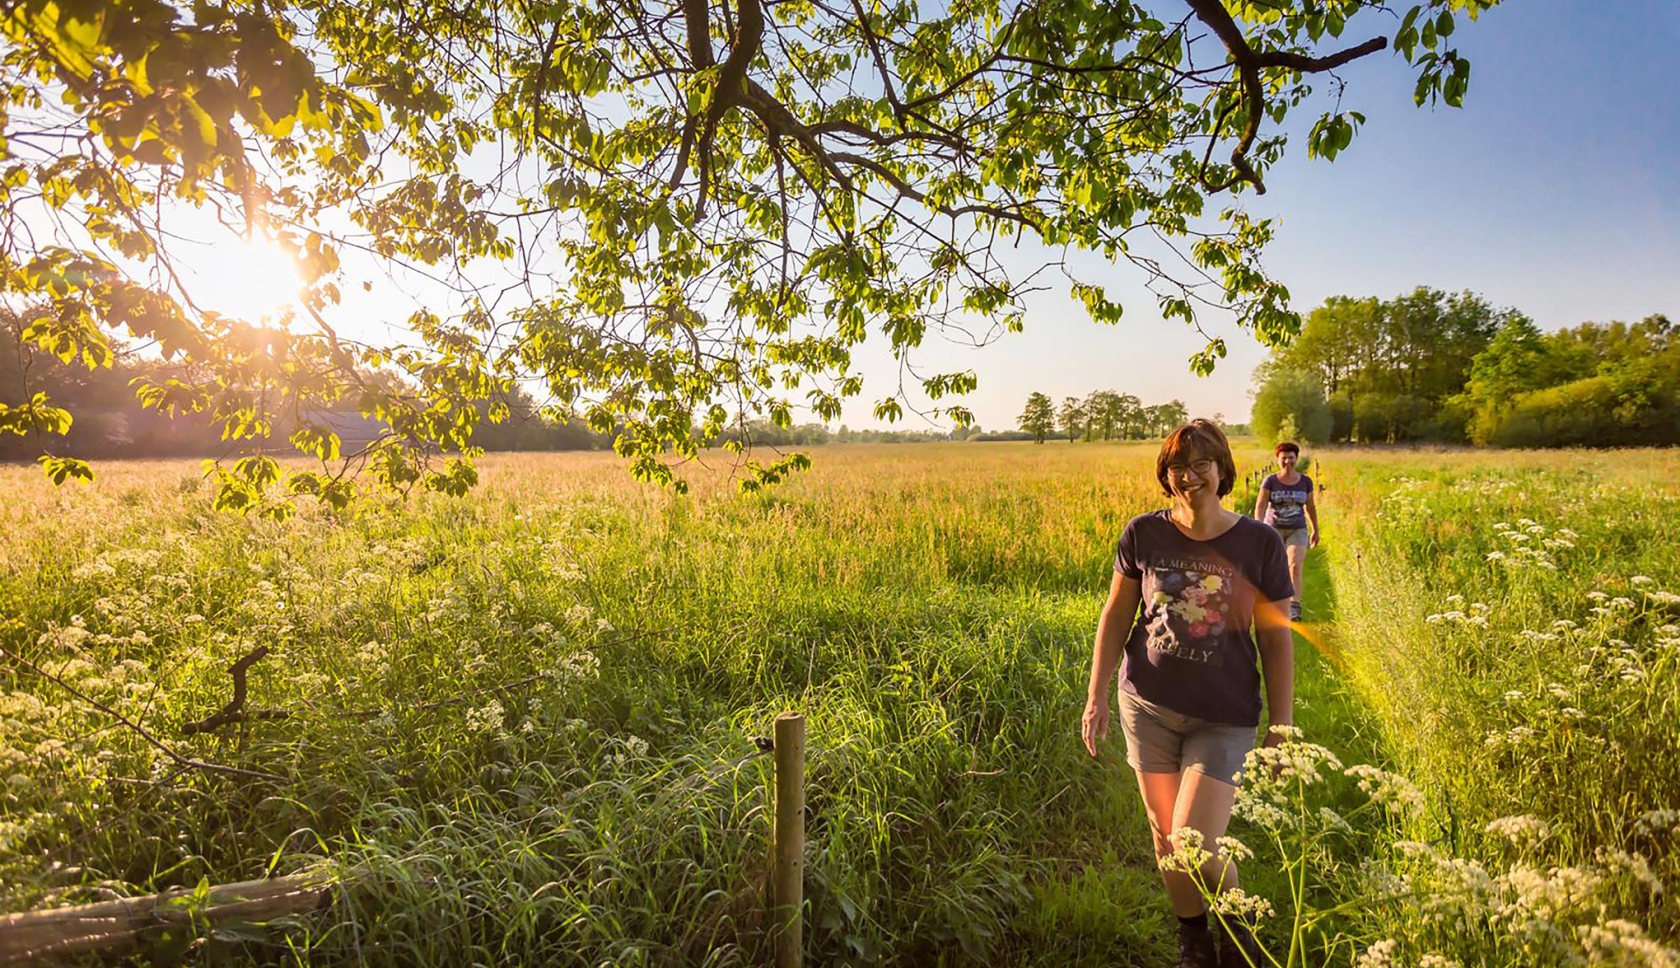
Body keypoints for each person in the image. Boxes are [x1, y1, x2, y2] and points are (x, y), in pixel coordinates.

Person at [1081, 419, 1295, 968]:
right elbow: (1116, 614)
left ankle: (1240, 923)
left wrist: (1281, 725)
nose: (1189, 475)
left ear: (1223, 470)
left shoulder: (1260, 543)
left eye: (1201, 464)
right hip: (1146, 705)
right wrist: (1097, 694)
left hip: (1222, 716)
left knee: (1193, 841)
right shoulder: (1143, 534)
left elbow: (1275, 640)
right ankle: (1194, 942)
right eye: (1178, 466)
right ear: (1166, 474)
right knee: (1163, 838)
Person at [1252, 442, 1319, 623]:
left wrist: (1315, 530)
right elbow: (1261, 505)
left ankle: (1294, 606)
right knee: (1273, 568)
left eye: (1291, 458)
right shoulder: (1270, 481)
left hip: (1297, 529)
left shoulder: (1305, 482)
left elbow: (1310, 507)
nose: (1287, 461)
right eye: (1284, 458)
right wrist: (1259, 527)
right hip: (1273, 529)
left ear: (1296, 459)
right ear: (1277, 460)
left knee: (1295, 565)